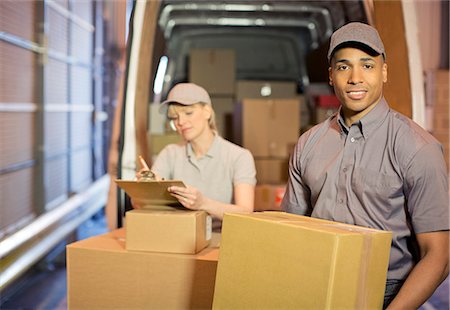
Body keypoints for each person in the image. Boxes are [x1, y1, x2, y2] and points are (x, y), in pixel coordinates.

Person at [281, 22, 449, 309]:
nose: (355, 78)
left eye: (368, 66)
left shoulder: (418, 148)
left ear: (384, 72)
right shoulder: (309, 143)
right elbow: (290, 231)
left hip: (388, 292)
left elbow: (439, 255)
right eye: (344, 67)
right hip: (316, 280)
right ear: (331, 75)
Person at [134, 83, 256, 227]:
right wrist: (144, 189)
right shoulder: (170, 153)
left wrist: (204, 203)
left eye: (188, 113)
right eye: (174, 117)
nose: (180, 122)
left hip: (221, 239)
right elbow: (138, 205)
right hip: (177, 234)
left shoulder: (239, 157)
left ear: (207, 112)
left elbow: (246, 213)